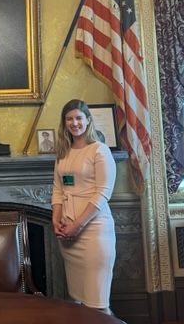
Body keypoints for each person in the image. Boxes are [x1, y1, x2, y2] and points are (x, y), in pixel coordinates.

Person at [51, 99, 116, 315]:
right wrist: (56, 220)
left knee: (98, 303)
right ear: (64, 122)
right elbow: (58, 190)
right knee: (78, 301)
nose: (74, 123)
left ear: (88, 120)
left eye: (79, 118)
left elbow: (103, 193)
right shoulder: (63, 152)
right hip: (68, 236)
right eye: (69, 119)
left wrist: (78, 225)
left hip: (94, 232)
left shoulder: (99, 150)